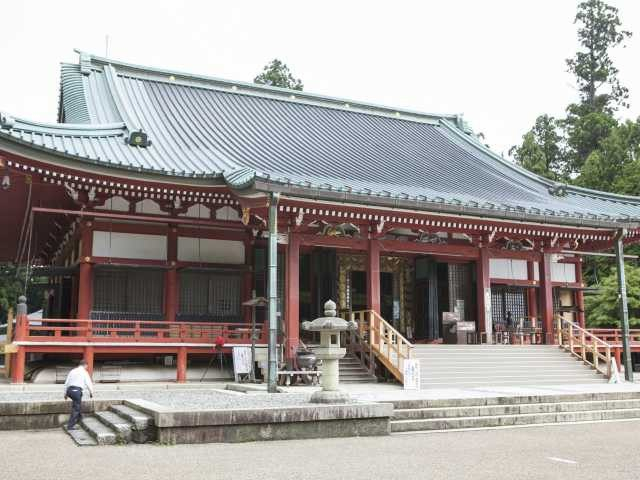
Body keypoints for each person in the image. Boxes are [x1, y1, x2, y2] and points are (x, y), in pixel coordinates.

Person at [64, 359, 94, 430]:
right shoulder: (84, 372)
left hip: (69, 391)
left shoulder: (72, 371)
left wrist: (65, 393)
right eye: (87, 366)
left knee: (78, 404)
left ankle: (79, 419)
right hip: (77, 391)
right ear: (85, 365)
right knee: (76, 409)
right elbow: (88, 383)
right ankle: (70, 426)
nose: (87, 367)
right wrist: (91, 392)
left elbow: (66, 382)